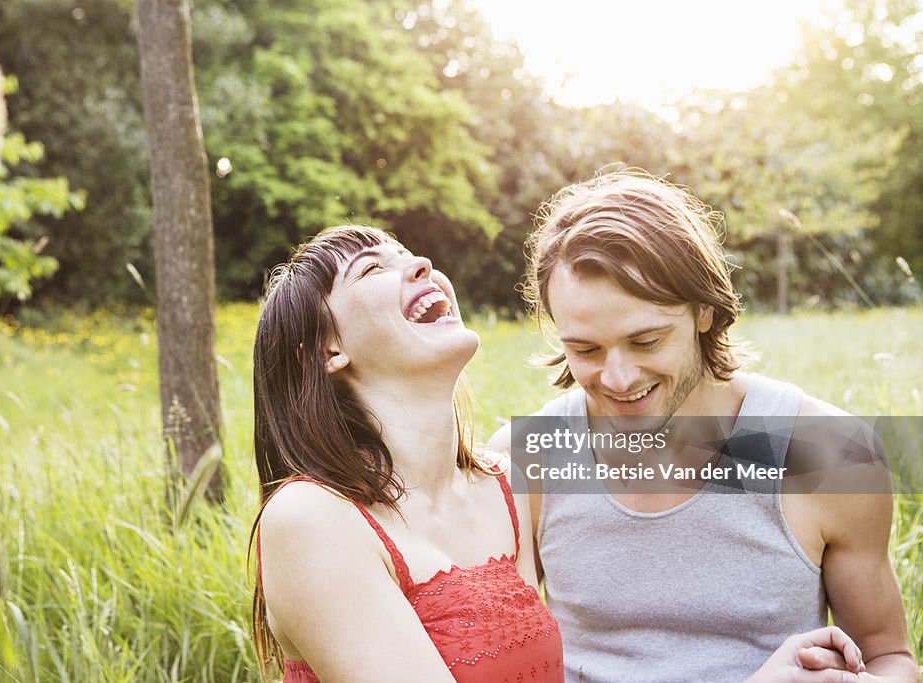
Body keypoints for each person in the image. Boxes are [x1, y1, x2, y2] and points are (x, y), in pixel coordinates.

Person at [487, 170, 919, 683]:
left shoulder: (827, 453)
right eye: (585, 349)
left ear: (705, 312)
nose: (618, 378)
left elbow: (889, 658)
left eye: (646, 341)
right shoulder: (528, 458)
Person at [250, 225, 564, 683]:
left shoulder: (503, 484)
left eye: (409, 252)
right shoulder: (310, 518)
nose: (423, 265)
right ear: (328, 349)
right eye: (373, 268)